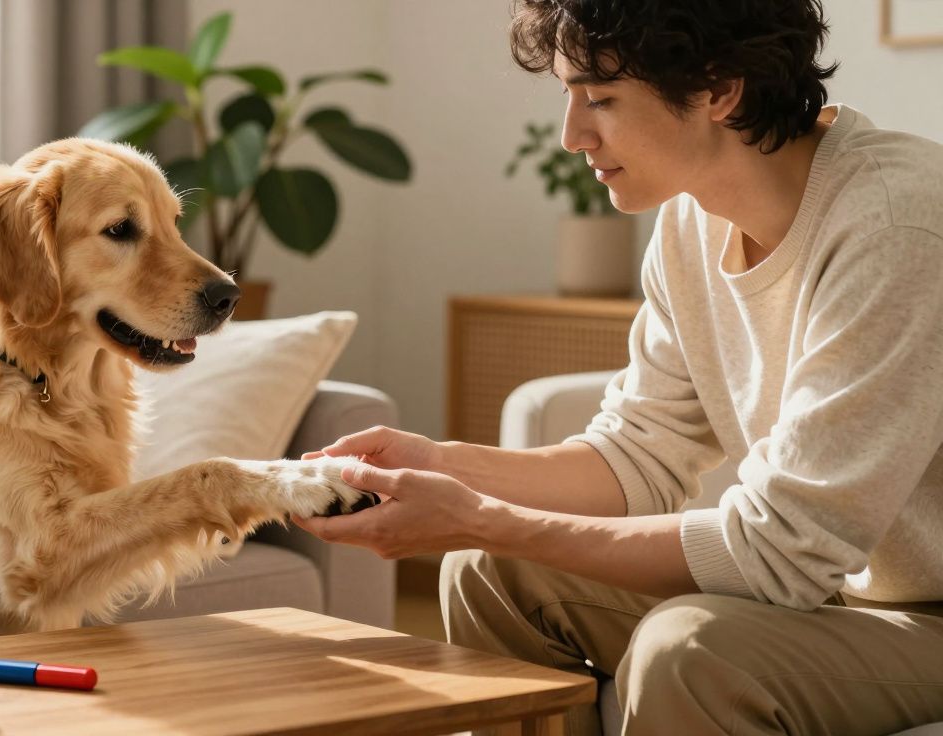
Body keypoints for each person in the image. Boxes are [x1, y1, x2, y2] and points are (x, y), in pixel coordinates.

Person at [293, 1, 943, 733]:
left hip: (927, 615)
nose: (572, 135)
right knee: (486, 571)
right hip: (838, 594)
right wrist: (445, 467)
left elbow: (782, 548)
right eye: (568, 96)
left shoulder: (896, 224)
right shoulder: (690, 221)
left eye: (600, 99)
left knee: (689, 653)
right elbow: (637, 456)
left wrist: (487, 518)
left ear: (719, 90)